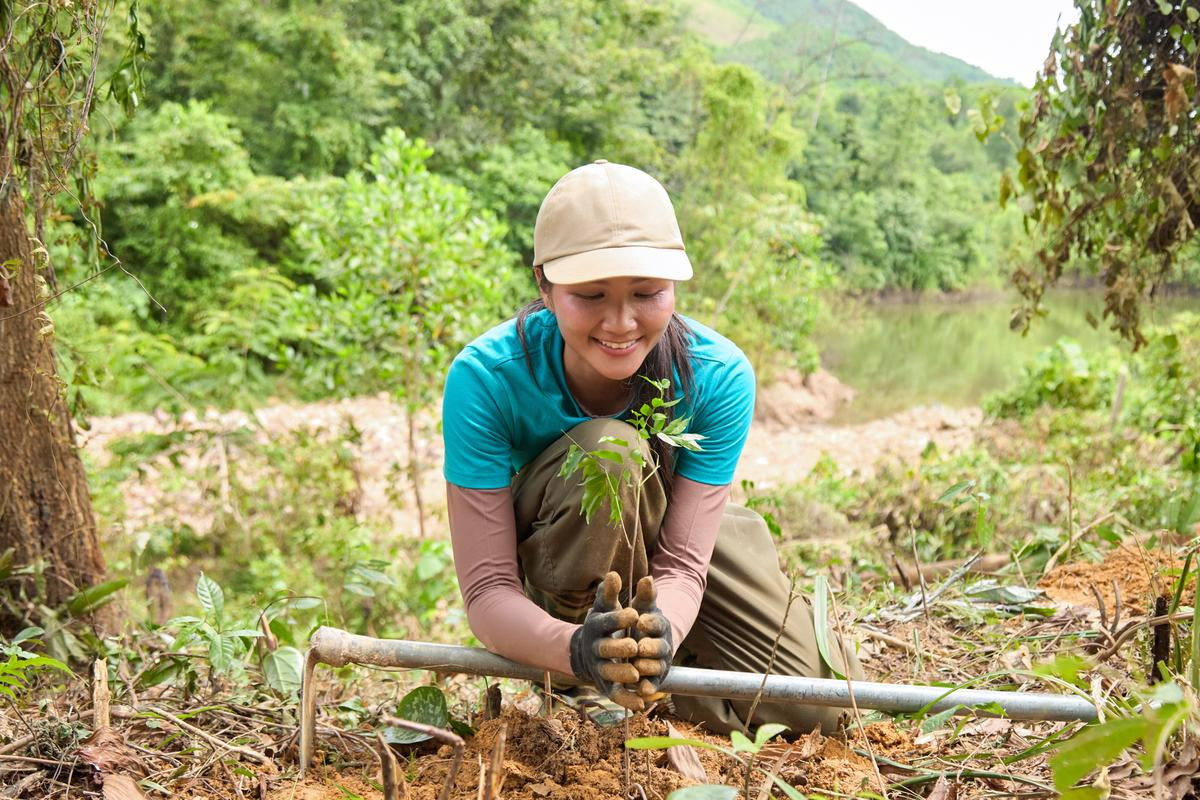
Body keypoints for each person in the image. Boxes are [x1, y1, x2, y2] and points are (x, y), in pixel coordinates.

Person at [442, 159, 860, 734]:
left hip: (673, 530)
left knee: (815, 712)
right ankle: (579, 689)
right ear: (544, 282)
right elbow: (488, 591)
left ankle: (653, 675)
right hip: (557, 566)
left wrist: (661, 629)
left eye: (647, 293)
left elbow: (685, 563)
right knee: (609, 452)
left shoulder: (717, 375)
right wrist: (577, 651)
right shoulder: (486, 379)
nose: (620, 322)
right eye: (589, 295)